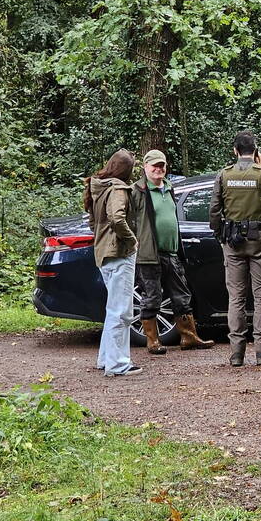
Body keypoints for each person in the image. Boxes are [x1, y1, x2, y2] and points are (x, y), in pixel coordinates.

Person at [208, 131, 261, 367]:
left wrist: (221, 234)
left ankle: (236, 353)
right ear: (256, 150)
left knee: (236, 297)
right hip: (259, 239)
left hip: (232, 241)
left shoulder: (224, 175)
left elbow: (213, 210)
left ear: (235, 151)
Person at [130, 149, 214, 354]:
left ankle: (189, 337)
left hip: (171, 252)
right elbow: (126, 219)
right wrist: (134, 240)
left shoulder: (169, 187)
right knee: (152, 297)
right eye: (154, 166)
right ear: (145, 167)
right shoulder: (137, 191)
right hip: (149, 254)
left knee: (182, 295)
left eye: (162, 166)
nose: (159, 169)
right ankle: (153, 341)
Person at [84, 149, 142, 377]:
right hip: (119, 254)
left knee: (112, 309)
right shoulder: (118, 188)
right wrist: (132, 240)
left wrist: (102, 238)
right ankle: (118, 364)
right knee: (122, 311)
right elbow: (117, 217)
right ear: (127, 170)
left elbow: (92, 222)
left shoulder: (98, 187)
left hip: (104, 254)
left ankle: (106, 358)